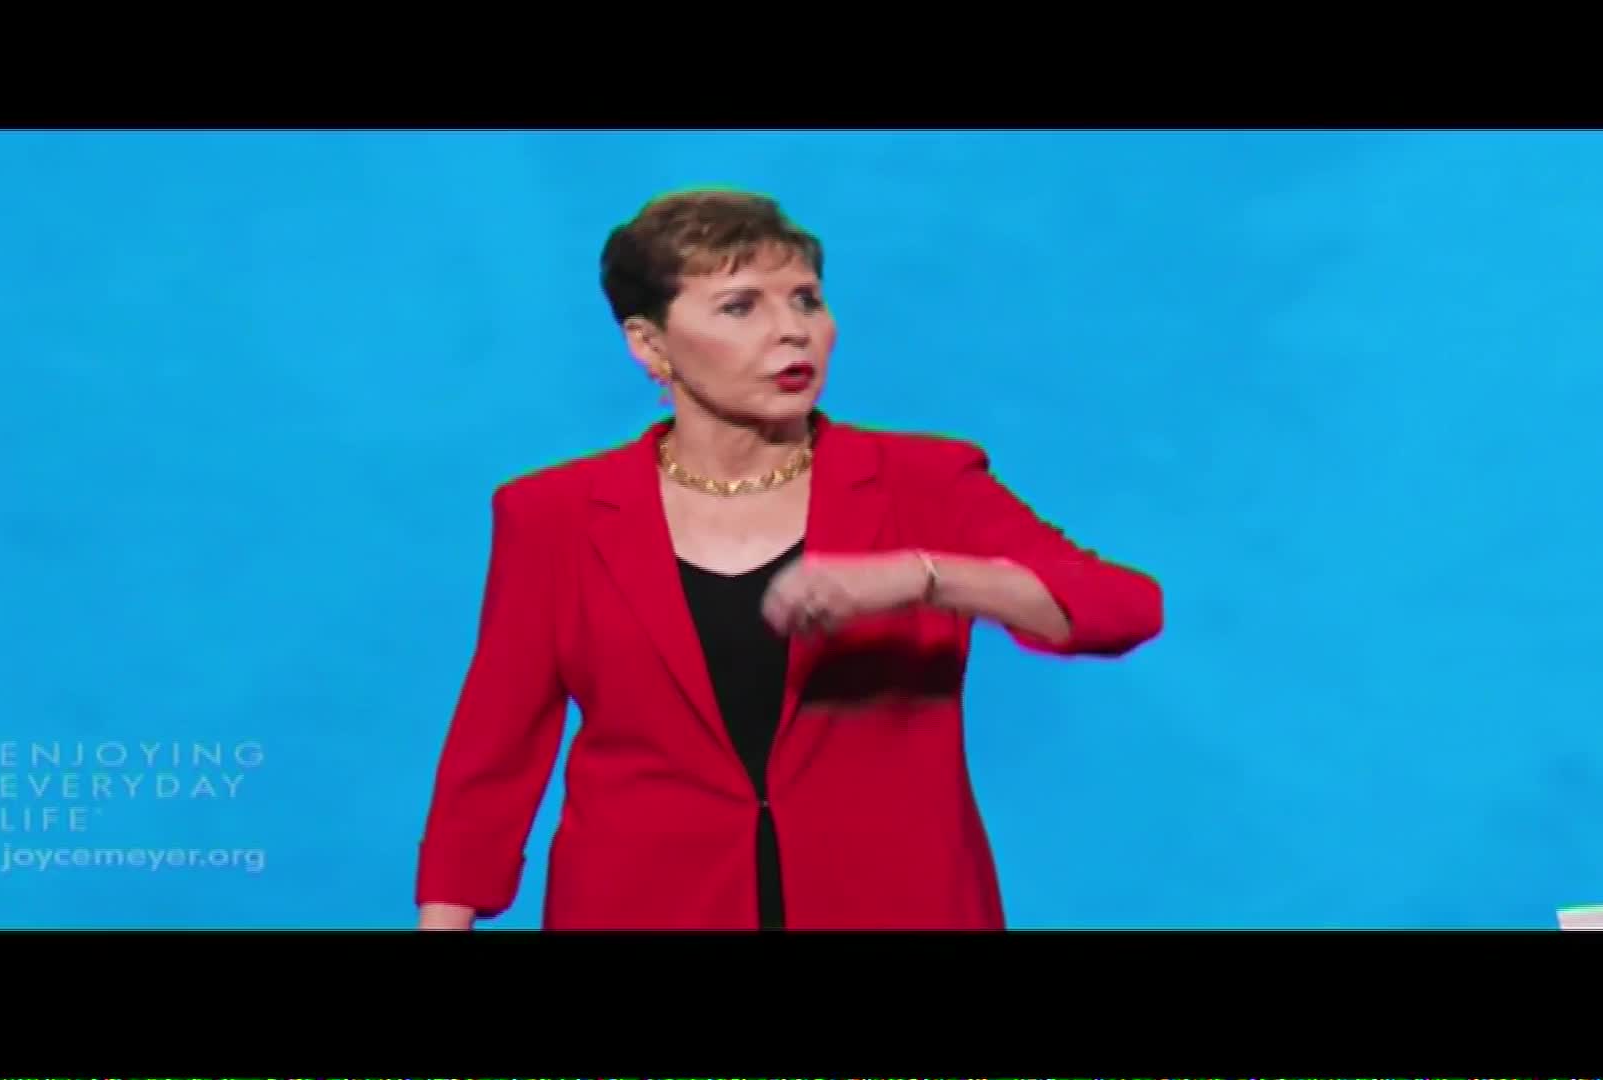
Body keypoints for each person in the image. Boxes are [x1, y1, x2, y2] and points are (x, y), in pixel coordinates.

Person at [414, 188, 1163, 931]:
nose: (792, 332)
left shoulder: (922, 483)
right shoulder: (554, 515)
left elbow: (1122, 608)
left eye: (805, 300)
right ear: (649, 345)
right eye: (741, 307)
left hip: (895, 905)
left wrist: (924, 577)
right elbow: (493, 756)